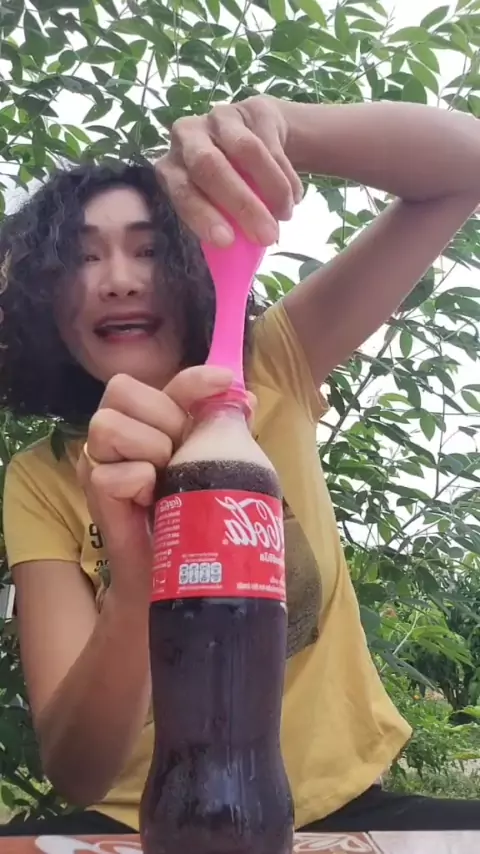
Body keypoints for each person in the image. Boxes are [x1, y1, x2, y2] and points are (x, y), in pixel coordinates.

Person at [1, 95, 480, 837]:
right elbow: (78, 768)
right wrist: (136, 583)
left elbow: (464, 165)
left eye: (149, 248)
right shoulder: (43, 478)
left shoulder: (275, 363)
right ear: (47, 304)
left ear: (195, 264)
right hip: (143, 825)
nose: (119, 278)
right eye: (84, 257)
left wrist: (283, 132)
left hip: (341, 813)